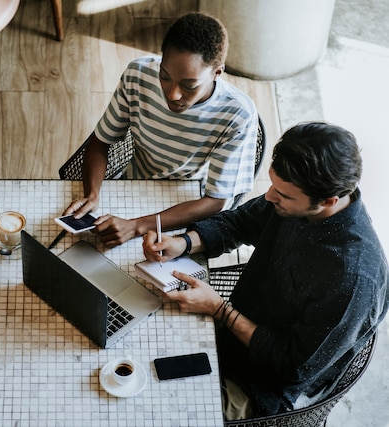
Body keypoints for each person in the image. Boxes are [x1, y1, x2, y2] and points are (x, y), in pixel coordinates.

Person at [142, 122, 389, 419]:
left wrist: (220, 310)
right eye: (272, 184)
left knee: (157, 409)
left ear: (328, 202)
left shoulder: (352, 278)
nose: (270, 196)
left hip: (260, 387)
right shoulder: (296, 198)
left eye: (283, 194)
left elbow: (292, 368)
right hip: (230, 335)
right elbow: (240, 222)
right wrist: (183, 242)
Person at [64, 12, 258, 247]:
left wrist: (137, 225)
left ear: (217, 73)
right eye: (165, 76)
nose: (173, 94)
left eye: (189, 85)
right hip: (132, 187)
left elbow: (216, 201)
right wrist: (92, 194)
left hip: (186, 207)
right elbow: (100, 141)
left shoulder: (238, 114)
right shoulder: (137, 75)